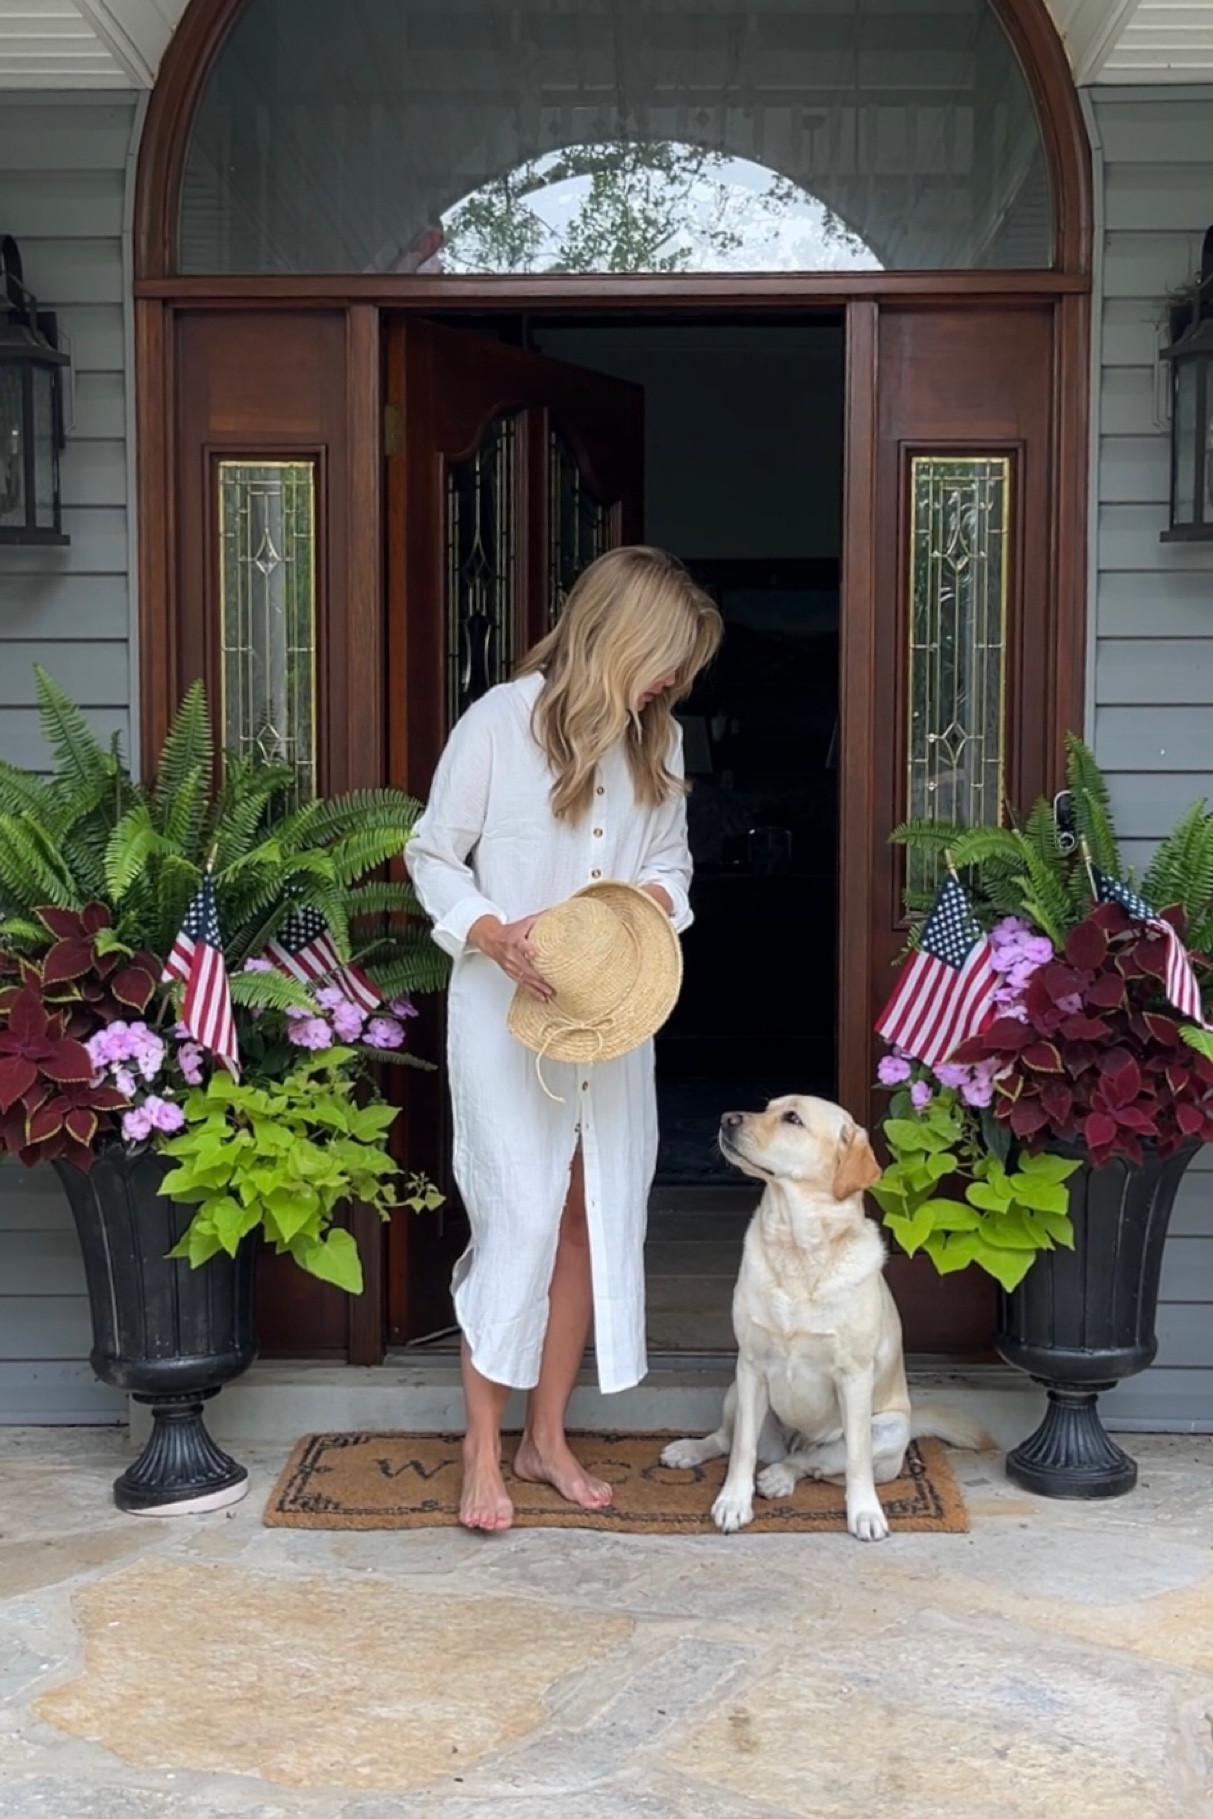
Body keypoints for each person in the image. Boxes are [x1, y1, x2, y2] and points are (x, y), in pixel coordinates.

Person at [406, 546, 723, 1531]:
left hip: (610, 1014)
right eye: (665, 656)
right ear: (619, 636)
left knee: (592, 1220)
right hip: (505, 1021)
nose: (672, 680)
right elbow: (430, 850)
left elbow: (670, 860)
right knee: (519, 1221)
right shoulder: (497, 725)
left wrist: (648, 902)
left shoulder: (656, 745)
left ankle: (545, 1439)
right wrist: (488, 931)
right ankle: (480, 1452)